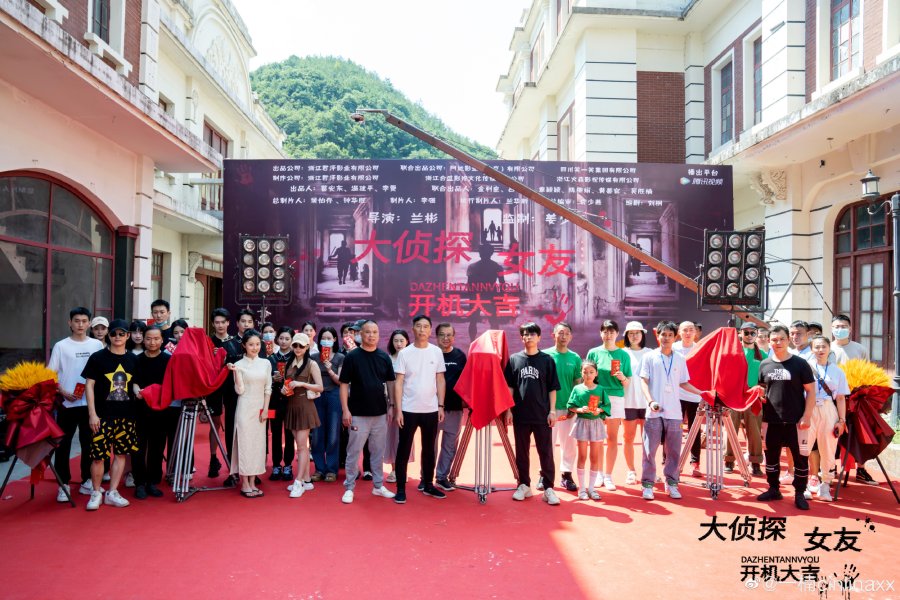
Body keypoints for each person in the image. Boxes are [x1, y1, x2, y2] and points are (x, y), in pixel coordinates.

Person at [639, 321, 703, 501]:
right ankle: (647, 484)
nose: (666, 338)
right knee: (649, 450)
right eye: (663, 335)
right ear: (658, 335)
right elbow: (643, 381)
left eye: (670, 335)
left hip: (674, 412)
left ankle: (672, 482)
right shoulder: (649, 357)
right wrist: (650, 401)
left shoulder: (680, 359)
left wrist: (701, 393)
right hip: (654, 411)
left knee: (674, 451)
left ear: (675, 337)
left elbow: (683, 382)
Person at [756, 325, 816, 510]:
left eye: (782, 339)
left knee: (800, 458)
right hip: (771, 420)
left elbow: (811, 391)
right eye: (774, 340)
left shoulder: (800, 364)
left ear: (788, 339)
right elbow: (763, 390)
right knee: (771, 456)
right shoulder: (764, 364)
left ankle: (800, 493)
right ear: (769, 341)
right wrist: (758, 395)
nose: (778, 343)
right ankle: (774, 489)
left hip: (796, 421)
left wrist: (807, 416)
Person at [81, 319, 140, 510]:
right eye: (114, 333)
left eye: (122, 334)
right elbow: (89, 385)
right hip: (102, 416)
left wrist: (140, 392)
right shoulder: (97, 358)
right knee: (98, 456)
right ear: (109, 335)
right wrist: (92, 414)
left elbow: (135, 384)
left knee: (121, 454)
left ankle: (112, 491)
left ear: (128, 336)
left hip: (126, 416)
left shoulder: (133, 359)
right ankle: (96, 492)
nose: (117, 337)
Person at [49, 307, 104, 502]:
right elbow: (50, 375)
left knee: (89, 443)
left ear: (89, 323)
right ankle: (63, 483)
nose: (80, 324)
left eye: (84, 321)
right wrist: (63, 392)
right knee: (62, 445)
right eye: (76, 321)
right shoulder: (61, 346)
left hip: (90, 404)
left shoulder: (97, 345)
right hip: (67, 403)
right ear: (69, 323)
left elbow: (102, 373)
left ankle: (87, 480)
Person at [339, 320, 397, 504]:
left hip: (380, 413)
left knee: (378, 452)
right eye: (367, 332)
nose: (371, 335)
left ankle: (378, 486)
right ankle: (349, 487)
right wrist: (345, 410)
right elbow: (343, 384)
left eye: (375, 332)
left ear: (379, 335)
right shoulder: (352, 357)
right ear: (360, 334)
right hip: (357, 414)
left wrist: (392, 405)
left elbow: (390, 382)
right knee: (353, 452)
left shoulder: (384, 357)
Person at [504, 322, 561, 506]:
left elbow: (552, 388)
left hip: (542, 414)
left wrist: (552, 411)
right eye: (525, 334)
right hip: (520, 414)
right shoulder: (514, 359)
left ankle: (549, 488)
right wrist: (508, 410)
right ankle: (524, 485)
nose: (528, 337)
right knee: (522, 452)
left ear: (539, 337)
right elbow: (510, 387)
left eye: (532, 334)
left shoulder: (547, 360)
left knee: (546, 452)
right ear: (521, 338)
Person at [393, 315, 447, 503]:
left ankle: (428, 484)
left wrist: (441, 405)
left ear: (430, 330)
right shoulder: (405, 353)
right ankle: (400, 489)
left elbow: (440, 379)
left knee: (429, 449)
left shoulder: (436, 352)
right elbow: (399, 382)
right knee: (404, 448)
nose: (422, 330)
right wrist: (398, 410)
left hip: (431, 409)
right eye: (418, 326)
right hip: (408, 409)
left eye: (425, 326)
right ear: (413, 329)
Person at [829, 314, 877, 485]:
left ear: (850, 329)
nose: (840, 329)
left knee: (859, 433)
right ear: (831, 329)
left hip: (856, 398)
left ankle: (861, 469)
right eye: (836, 327)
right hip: (833, 398)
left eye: (843, 326)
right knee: (832, 432)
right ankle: (830, 467)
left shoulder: (860, 349)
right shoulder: (827, 348)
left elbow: (867, 372)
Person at [585, 320, 631, 490]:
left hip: (615, 398)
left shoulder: (623, 355)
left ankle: (608, 476)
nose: (608, 335)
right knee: (597, 438)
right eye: (605, 331)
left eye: (611, 332)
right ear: (601, 333)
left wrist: (621, 377)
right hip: (596, 396)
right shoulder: (593, 352)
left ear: (617, 334)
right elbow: (587, 377)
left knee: (612, 438)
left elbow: (627, 382)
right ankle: (598, 474)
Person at [226, 330, 272, 498]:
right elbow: (240, 390)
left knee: (258, 446)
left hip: (260, 408)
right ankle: (245, 483)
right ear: (244, 345)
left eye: (257, 344)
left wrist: (266, 409)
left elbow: (268, 388)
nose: (255, 347)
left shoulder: (266, 363)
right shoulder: (238, 364)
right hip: (244, 408)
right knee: (245, 444)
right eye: (251, 344)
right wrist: (236, 373)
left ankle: (253, 482)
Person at [804, 336, 848, 502]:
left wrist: (841, 421)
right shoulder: (805, 368)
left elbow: (841, 398)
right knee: (804, 447)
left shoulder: (838, 371)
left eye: (823, 346)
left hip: (829, 410)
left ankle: (825, 485)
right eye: (816, 347)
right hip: (809, 408)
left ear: (829, 348)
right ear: (812, 349)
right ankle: (804, 485)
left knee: (828, 448)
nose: (820, 350)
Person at [282, 333, 324, 498]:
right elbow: (286, 384)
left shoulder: (312, 364)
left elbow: (320, 387)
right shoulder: (288, 363)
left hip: (305, 405)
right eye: (295, 345)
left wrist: (302, 383)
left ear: (307, 347)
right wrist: (283, 389)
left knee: (301, 446)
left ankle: (298, 481)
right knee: (301, 446)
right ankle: (306, 480)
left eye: (301, 346)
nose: (298, 348)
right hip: (291, 405)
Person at [131, 326, 170, 499]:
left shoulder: (168, 360)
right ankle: (139, 483)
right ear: (143, 339)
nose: (152, 342)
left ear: (162, 340)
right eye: (148, 338)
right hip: (140, 409)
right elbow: (133, 381)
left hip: (161, 410)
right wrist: (137, 391)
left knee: (157, 446)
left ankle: (152, 481)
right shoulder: (136, 359)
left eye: (156, 339)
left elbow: (170, 384)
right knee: (138, 448)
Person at [544, 322, 582, 492]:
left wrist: (574, 406)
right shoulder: (545, 355)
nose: (563, 336)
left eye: (567, 333)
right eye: (560, 333)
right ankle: (545, 475)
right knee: (547, 443)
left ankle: (566, 475)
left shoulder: (575, 358)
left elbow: (577, 383)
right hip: (548, 408)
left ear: (571, 337)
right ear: (553, 335)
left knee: (569, 444)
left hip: (568, 408)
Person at [206, 308, 243, 484]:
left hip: (231, 388)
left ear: (228, 323)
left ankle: (232, 464)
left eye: (223, 322)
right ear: (213, 324)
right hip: (213, 387)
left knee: (231, 424)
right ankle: (213, 458)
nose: (220, 325)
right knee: (214, 423)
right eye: (217, 322)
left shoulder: (236, 343)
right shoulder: (208, 342)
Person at [724, 323, 765, 476]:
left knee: (754, 431)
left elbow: (766, 377)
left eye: (752, 333)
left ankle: (755, 462)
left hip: (753, 397)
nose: (749, 336)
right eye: (746, 332)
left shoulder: (763, 355)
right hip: (734, 396)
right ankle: (729, 460)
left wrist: (762, 391)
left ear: (756, 334)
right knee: (730, 428)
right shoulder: (732, 352)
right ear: (740, 334)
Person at [567, 360, 611, 500]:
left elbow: (606, 405)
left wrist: (599, 410)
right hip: (582, 423)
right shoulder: (577, 389)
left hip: (596, 424)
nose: (588, 374)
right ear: (581, 373)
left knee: (594, 457)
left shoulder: (600, 389)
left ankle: (591, 488)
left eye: (591, 372)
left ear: (596, 373)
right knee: (582, 456)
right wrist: (580, 409)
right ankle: (582, 489)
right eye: (585, 372)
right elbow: (571, 405)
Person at [434, 323, 467, 491]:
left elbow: (467, 381)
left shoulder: (460, 356)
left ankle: (441, 477)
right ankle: (425, 477)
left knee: (449, 445)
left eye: (449, 335)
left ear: (454, 337)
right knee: (430, 444)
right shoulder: (431, 354)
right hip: (431, 407)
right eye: (442, 335)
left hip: (454, 408)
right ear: (436, 337)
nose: (445, 338)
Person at [311, 326, 344, 482]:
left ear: (335, 340)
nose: (326, 341)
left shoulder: (340, 357)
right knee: (317, 434)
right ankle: (319, 468)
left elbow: (341, 381)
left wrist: (330, 370)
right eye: (323, 338)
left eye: (329, 338)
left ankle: (331, 469)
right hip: (317, 396)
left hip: (334, 396)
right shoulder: (314, 357)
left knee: (333, 434)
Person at [621, 321, 651, 485]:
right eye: (631, 333)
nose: (634, 336)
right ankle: (631, 471)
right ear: (626, 336)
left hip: (647, 403)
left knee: (649, 440)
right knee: (628, 438)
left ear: (642, 334)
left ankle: (649, 470)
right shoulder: (621, 353)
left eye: (637, 332)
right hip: (628, 403)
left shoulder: (650, 353)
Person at [673, 320, 702, 477]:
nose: (688, 333)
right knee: (674, 429)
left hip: (694, 395)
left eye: (691, 330)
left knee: (694, 430)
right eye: (685, 330)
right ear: (679, 332)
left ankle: (695, 463)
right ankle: (670, 461)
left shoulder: (699, 348)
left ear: (695, 332)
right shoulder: (673, 348)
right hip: (676, 395)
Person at [267, 326, 296, 482]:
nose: (284, 341)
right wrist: (272, 379)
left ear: (292, 341)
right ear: (277, 339)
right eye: (281, 338)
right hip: (274, 402)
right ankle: (276, 464)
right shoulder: (271, 358)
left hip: (291, 401)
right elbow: (264, 379)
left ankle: (288, 465)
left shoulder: (296, 358)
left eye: (287, 339)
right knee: (275, 433)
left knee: (290, 434)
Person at [383, 329, 411, 483]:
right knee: (392, 437)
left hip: (409, 403)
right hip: (391, 403)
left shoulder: (412, 358)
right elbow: (387, 383)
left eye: (402, 340)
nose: (399, 344)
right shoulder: (388, 359)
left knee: (405, 437)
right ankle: (394, 470)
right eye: (396, 341)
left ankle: (403, 469)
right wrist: (391, 404)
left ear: (407, 341)